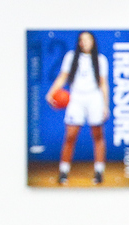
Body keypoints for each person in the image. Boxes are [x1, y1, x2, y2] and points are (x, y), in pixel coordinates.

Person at [45, 31, 109, 186]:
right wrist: (51, 93)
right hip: (76, 98)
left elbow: (103, 83)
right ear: (79, 43)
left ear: (93, 42)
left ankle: (99, 170)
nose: (85, 42)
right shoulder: (71, 57)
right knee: (70, 136)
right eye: (82, 40)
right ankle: (63, 171)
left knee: (98, 135)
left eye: (88, 39)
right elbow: (63, 76)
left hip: (94, 98)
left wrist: (106, 105)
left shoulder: (101, 60)